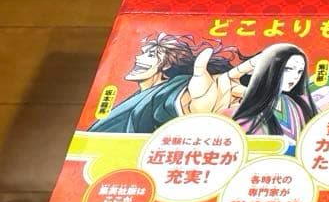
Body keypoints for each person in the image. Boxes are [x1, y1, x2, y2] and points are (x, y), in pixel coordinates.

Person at [89, 33, 254, 133]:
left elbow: (165, 105)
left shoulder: (175, 87)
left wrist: (188, 107)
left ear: (167, 64)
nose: (138, 58)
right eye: (142, 53)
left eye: (151, 55)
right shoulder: (142, 94)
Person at [232, 43, 317, 154]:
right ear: (269, 69)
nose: (295, 76)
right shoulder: (247, 118)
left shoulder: (299, 105)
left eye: (300, 71)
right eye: (288, 69)